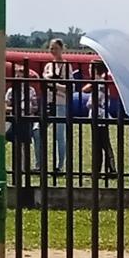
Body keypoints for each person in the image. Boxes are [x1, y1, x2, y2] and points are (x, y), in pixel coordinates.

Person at [40, 39, 80, 176]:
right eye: (51, 48)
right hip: (48, 102)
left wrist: (53, 84)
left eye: (56, 48)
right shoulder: (48, 66)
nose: (53, 51)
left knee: (59, 136)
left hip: (60, 102)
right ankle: (39, 163)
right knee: (37, 130)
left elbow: (70, 87)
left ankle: (59, 165)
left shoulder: (66, 66)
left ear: (62, 49)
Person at [84, 62, 118, 179]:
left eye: (90, 68)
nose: (88, 70)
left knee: (104, 144)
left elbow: (93, 99)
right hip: (96, 116)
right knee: (97, 145)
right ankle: (98, 170)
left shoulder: (100, 84)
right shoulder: (97, 83)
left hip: (100, 116)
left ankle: (111, 169)